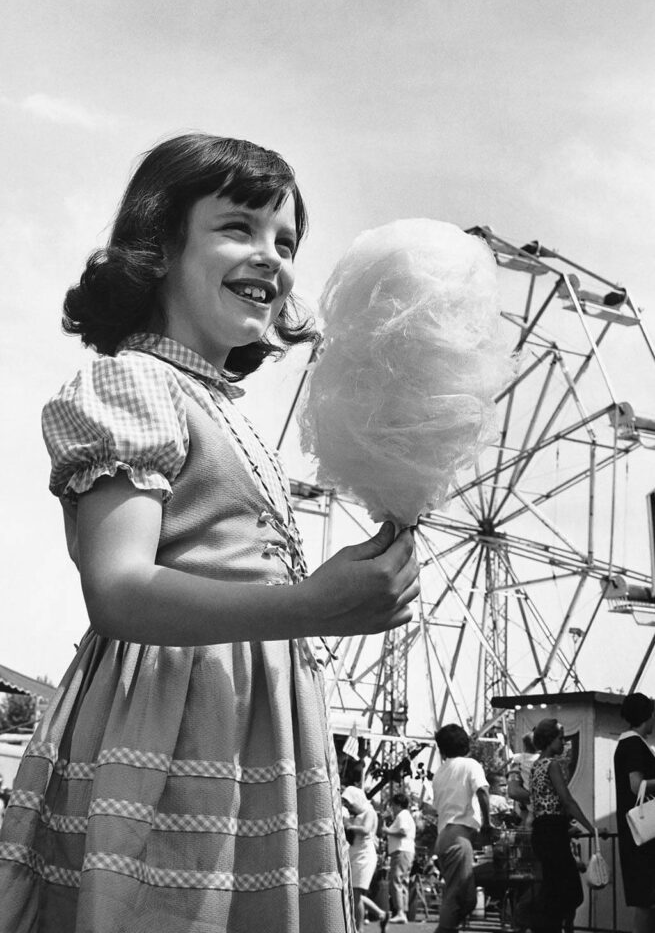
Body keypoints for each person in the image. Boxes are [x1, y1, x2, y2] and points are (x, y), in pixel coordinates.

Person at [0, 133, 421, 933]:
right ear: (156, 249)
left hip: (251, 720)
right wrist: (311, 605)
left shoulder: (222, 404)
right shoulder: (130, 381)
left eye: (286, 241)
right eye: (238, 228)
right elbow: (119, 591)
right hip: (168, 722)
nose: (271, 258)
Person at [530, 718, 595, 933]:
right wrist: (590, 827)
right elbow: (566, 800)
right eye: (560, 739)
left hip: (542, 830)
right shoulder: (552, 765)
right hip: (553, 831)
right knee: (569, 889)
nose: (563, 743)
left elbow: (542, 801)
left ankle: (549, 926)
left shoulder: (535, 766)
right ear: (550, 740)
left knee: (552, 885)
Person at [431, 724, 491, 933]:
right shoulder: (470, 765)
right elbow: (482, 791)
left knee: (465, 898)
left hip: (444, 837)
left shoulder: (440, 773)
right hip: (459, 837)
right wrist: (487, 823)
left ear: (442, 749)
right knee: (459, 897)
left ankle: (449, 929)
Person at [614, 692, 655, 933]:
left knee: (647, 898)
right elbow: (635, 783)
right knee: (645, 899)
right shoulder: (633, 744)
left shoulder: (627, 743)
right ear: (648, 715)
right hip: (642, 832)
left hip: (638, 830)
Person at [342, 787, 389, 932]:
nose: (349, 806)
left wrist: (348, 826)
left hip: (364, 855)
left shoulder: (369, 812)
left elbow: (366, 830)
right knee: (354, 894)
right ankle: (381, 914)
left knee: (355, 894)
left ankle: (359, 928)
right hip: (355, 853)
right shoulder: (358, 814)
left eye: (350, 803)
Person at [382, 791, 416, 924]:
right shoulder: (406, 816)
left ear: (398, 805)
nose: (392, 808)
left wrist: (387, 830)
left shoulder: (402, 816)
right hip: (407, 851)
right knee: (403, 881)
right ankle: (403, 911)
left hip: (401, 851)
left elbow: (402, 832)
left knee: (396, 881)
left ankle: (400, 911)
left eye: (393, 805)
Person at [507, 733, 539, 827]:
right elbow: (514, 792)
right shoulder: (543, 761)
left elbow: (513, 792)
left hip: (527, 800)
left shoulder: (519, 759)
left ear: (524, 746)